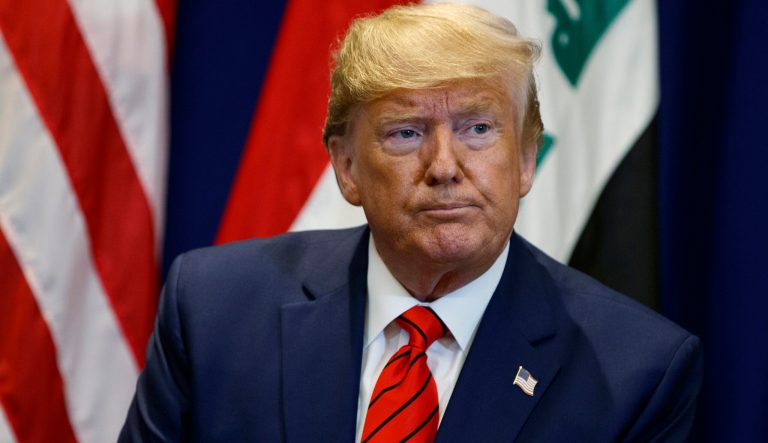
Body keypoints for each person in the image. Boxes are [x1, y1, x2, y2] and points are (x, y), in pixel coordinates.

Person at [119, 3, 702, 442]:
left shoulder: (635, 372)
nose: (444, 166)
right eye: (406, 132)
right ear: (346, 167)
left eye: (478, 129)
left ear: (526, 159)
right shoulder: (214, 312)